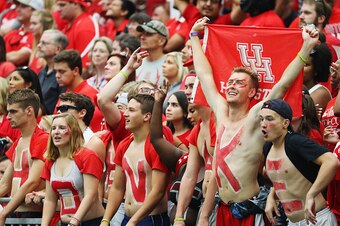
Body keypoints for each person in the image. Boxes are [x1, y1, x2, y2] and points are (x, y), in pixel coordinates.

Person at [190, 17, 320, 226]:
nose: (232, 86)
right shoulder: (220, 112)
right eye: (230, 82)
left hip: (249, 212)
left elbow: (283, 85)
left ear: (252, 92)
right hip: (221, 209)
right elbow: (204, 75)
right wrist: (195, 37)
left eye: (239, 83)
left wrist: (306, 48)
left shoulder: (254, 118)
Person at [98, 49, 173, 226]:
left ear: (147, 116)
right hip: (126, 218)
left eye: (131, 111)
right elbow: (117, 187)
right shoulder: (124, 143)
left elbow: (158, 190)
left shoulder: (159, 141)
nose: (125, 114)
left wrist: (135, 221)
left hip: (151, 220)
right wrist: (106, 220)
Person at [261, 99, 339, 225]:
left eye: (269, 118)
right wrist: (271, 196)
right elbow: (282, 176)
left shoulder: (295, 142)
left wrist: (311, 194)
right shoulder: (267, 148)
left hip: (316, 219)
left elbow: (331, 161)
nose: (263, 124)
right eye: (261, 119)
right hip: (292, 222)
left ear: (285, 123)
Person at [40, 113, 104, 226]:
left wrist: (74, 221)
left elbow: (91, 195)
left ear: (73, 131)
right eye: (53, 128)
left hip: (91, 222)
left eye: (62, 128)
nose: (56, 132)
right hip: (66, 223)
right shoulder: (50, 161)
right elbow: (50, 200)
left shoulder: (87, 156)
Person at [0, 89, 49, 225]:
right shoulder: (19, 141)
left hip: (33, 215)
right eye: (8, 112)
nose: (8, 117)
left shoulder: (42, 139)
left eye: (13, 111)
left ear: (29, 111)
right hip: (15, 212)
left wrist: (4, 213)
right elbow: (4, 184)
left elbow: (32, 182)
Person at [54, 49, 104, 132]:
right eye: (56, 71)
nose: (57, 76)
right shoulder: (65, 94)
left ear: (75, 71)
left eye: (61, 71)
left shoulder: (91, 96)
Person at [56, 0, 99, 70]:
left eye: (62, 5)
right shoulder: (70, 24)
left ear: (75, 4)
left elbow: (84, 68)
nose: (58, 9)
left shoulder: (85, 26)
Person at [4, 0, 44, 66]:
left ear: (35, 10)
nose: (18, 9)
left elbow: (16, 58)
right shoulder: (11, 34)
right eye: (17, 5)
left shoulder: (37, 36)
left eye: (23, 6)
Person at [37, 29, 68, 114]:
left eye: (44, 43)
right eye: (39, 42)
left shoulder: (64, 75)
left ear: (57, 49)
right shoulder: (42, 72)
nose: (39, 46)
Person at [135, 20, 169, 87]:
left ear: (162, 41)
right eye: (142, 34)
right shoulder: (136, 63)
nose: (142, 37)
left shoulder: (171, 63)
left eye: (149, 34)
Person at [29, 9, 54, 74]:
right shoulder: (35, 45)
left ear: (44, 25)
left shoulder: (49, 50)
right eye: (31, 23)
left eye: (34, 24)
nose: (31, 27)